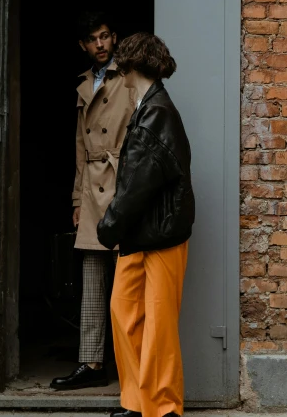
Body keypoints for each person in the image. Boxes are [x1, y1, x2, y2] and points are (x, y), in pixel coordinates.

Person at [97, 33, 195, 417]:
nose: (118, 68)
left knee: (158, 326)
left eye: (122, 63)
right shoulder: (149, 106)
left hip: (161, 235)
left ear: (132, 67)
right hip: (144, 234)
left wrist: (109, 226)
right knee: (127, 313)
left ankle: (165, 407)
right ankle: (139, 401)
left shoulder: (157, 112)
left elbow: (138, 182)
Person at [51, 12, 136, 390]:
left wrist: (133, 189)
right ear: (83, 45)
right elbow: (79, 148)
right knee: (91, 280)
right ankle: (92, 363)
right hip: (90, 189)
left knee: (129, 280)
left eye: (105, 37)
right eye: (93, 39)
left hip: (121, 183)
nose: (100, 44)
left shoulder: (129, 77)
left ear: (114, 38)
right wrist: (75, 198)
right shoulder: (84, 84)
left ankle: (131, 363)